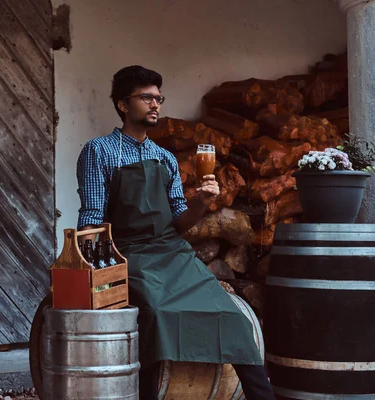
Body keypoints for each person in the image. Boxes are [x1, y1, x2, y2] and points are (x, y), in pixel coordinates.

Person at [76, 65, 276, 400]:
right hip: (130, 254)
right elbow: (92, 217)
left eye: (158, 98)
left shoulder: (165, 158)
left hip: (173, 254)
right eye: (146, 98)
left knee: (232, 316)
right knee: (156, 314)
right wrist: (96, 267)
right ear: (124, 105)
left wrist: (204, 201)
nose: (155, 104)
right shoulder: (99, 151)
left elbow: (181, 221)